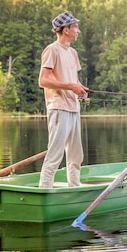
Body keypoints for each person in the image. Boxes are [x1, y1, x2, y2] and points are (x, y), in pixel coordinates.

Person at [38, 11, 89, 188]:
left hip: (74, 107)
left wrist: (80, 89)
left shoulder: (73, 53)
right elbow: (43, 80)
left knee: (76, 154)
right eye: (75, 27)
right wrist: (70, 86)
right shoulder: (52, 50)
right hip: (58, 108)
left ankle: (75, 188)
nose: (78, 31)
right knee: (55, 153)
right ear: (66, 29)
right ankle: (44, 190)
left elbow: (73, 79)